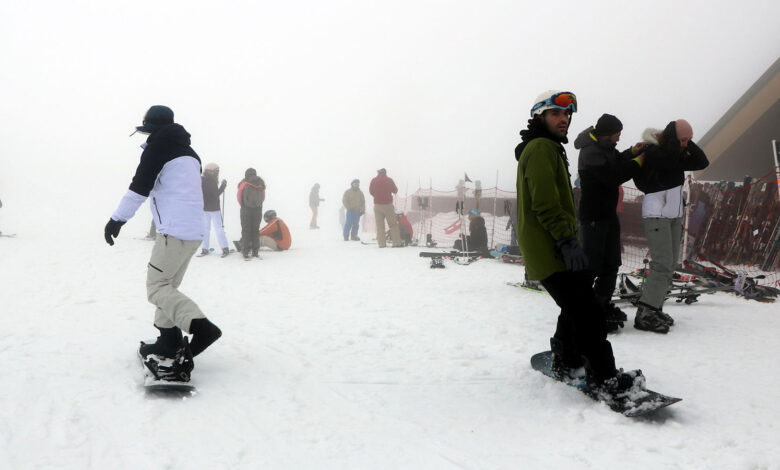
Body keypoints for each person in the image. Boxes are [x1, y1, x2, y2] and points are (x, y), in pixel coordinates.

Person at [515, 90, 637, 395]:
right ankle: (605, 377)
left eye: (567, 114)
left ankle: (568, 357)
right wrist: (567, 242)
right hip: (552, 248)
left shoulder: (549, 147)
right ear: (540, 116)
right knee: (588, 313)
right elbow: (545, 203)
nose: (563, 120)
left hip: (556, 245)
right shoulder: (542, 148)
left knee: (576, 305)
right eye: (555, 114)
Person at [103, 105, 222, 382]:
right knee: (167, 286)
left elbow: (139, 187)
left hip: (174, 231)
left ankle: (201, 327)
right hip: (192, 231)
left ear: (153, 130)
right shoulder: (191, 153)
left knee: (156, 288)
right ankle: (168, 340)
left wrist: (117, 220)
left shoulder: (158, 148)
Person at [632, 119, 709, 333]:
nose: (685, 145)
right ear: (672, 139)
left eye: (688, 140)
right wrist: (677, 142)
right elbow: (667, 162)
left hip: (674, 214)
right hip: (656, 214)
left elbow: (702, 162)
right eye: (682, 140)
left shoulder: (676, 154)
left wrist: (688, 142)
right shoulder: (654, 151)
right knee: (662, 263)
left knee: (670, 264)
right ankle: (645, 312)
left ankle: (655, 307)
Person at [574, 113, 645, 332]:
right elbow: (613, 175)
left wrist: (632, 152)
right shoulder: (590, 152)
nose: (619, 138)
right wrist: (637, 163)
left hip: (608, 214)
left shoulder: (604, 147)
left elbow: (616, 160)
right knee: (593, 264)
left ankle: (601, 304)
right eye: (617, 133)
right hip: (594, 216)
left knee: (612, 263)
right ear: (607, 133)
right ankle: (581, 309)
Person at [198, 162, 230, 257]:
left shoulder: (201, 179)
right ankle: (225, 248)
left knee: (205, 228)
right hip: (214, 209)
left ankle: (205, 248)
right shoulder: (211, 181)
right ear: (211, 172)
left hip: (204, 208)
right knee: (219, 228)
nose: (217, 173)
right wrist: (223, 186)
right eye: (216, 171)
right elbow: (216, 194)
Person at [237, 168, 265, 259]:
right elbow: (263, 198)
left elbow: (239, 196)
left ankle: (245, 251)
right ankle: (255, 252)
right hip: (258, 210)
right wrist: (257, 205)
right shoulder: (260, 183)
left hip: (246, 210)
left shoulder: (244, 183)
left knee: (246, 230)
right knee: (255, 230)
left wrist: (244, 206)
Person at [369, 168, 401, 248]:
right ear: (385, 173)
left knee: (380, 226)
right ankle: (396, 242)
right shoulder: (389, 180)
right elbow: (395, 190)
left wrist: (377, 196)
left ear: (378, 173)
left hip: (377, 205)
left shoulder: (374, 180)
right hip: (388, 205)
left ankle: (382, 244)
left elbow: (371, 191)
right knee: (393, 224)